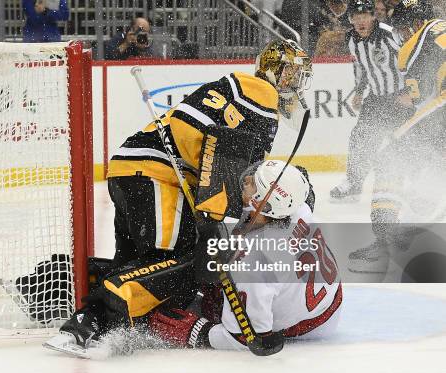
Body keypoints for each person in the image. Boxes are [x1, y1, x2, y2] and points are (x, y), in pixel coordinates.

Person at [41, 39, 314, 356]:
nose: (293, 83)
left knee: (139, 266)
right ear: (270, 71)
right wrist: (213, 217)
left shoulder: (245, 93)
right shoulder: (260, 93)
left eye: (299, 75)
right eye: (289, 73)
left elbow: (227, 156)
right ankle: (89, 324)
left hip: (137, 171)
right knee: (183, 264)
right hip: (158, 174)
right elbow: (220, 146)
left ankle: (56, 286)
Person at [148, 160, 342, 351]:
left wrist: (198, 332)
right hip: (324, 298)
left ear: (262, 204)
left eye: (254, 183)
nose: (247, 178)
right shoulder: (295, 208)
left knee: (207, 289)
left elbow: (247, 338)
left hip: (307, 325)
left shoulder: (253, 266)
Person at [348, 0, 445, 273]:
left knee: (390, 157)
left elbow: (415, 100)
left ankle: (384, 244)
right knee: (431, 160)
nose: (399, 36)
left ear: (410, 26)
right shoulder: (440, 29)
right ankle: (421, 208)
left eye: (401, 30)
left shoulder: (412, 46)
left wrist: (400, 102)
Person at [329, 0, 413, 202]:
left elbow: (410, 57)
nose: (361, 21)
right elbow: (361, 66)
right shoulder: (351, 39)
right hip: (375, 99)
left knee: (407, 141)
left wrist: (410, 91)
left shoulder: (388, 33)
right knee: (360, 139)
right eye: (356, 17)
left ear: (374, 16)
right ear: (350, 19)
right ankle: (354, 183)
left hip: (400, 98)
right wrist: (359, 91)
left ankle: (414, 185)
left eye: (365, 16)